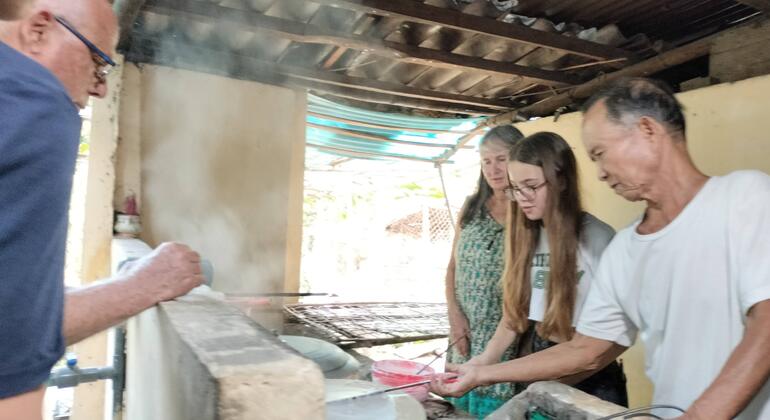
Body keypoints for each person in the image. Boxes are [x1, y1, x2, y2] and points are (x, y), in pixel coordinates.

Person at [432, 77, 770, 419]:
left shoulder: (744, 197)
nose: (601, 173)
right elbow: (586, 349)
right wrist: (481, 372)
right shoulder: (626, 248)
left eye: (600, 153)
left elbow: (767, 324)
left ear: (647, 130)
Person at [0, 1, 203, 419]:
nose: (100, 88)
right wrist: (145, 285)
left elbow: (19, 303)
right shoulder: (34, 100)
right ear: (38, 30)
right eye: (98, 63)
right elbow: (13, 336)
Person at [460, 131, 626, 407]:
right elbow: (513, 318)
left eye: (532, 185)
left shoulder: (597, 239)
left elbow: (611, 342)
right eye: (515, 188)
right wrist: (481, 361)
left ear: (561, 180)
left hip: (591, 374)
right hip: (541, 360)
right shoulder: (527, 236)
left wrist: (553, 381)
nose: (522, 197)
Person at [444, 125, 524, 417]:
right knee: (458, 406)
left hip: (507, 332)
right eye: (486, 161)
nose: (493, 169)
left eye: (501, 159)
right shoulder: (471, 206)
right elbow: (452, 266)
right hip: (464, 328)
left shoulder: (527, 210)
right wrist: (454, 315)